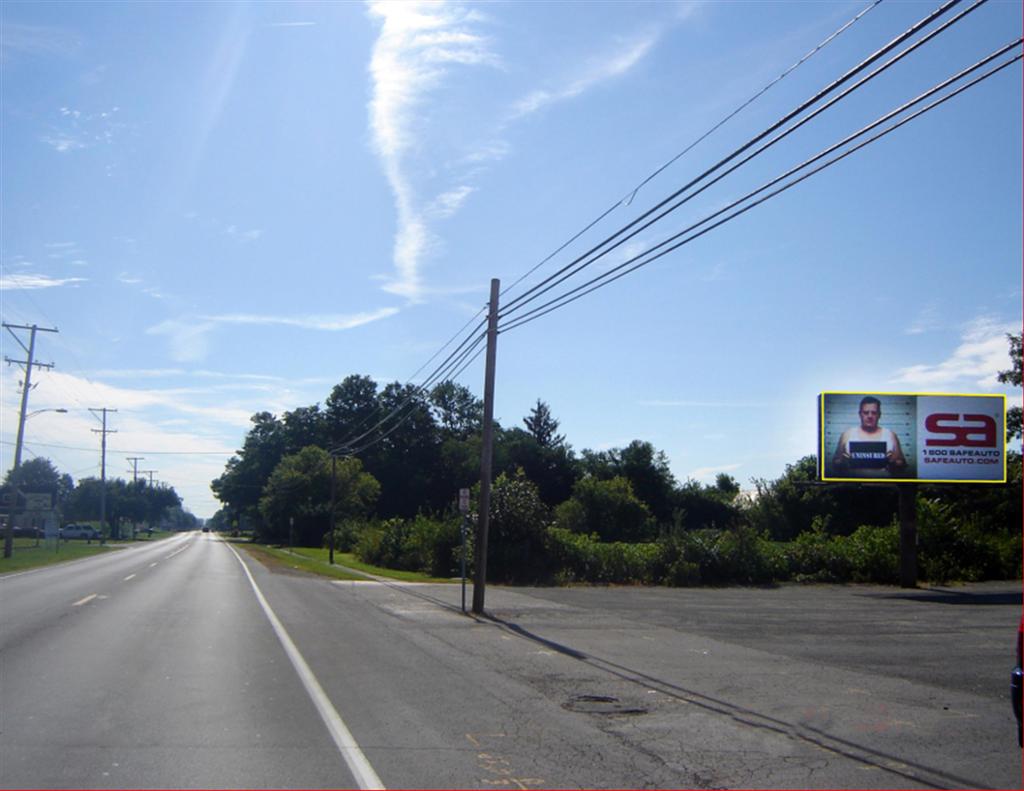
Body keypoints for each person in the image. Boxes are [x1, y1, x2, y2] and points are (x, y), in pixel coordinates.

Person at [832, 396, 907, 477]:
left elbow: (902, 464)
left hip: (885, 486)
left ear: (879, 415)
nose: (870, 416)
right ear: (860, 414)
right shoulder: (847, 434)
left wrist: (893, 462)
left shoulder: (890, 435)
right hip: (853, 486)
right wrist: (844, 461)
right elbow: (835, 463)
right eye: (866, 412)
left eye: (874, 413)